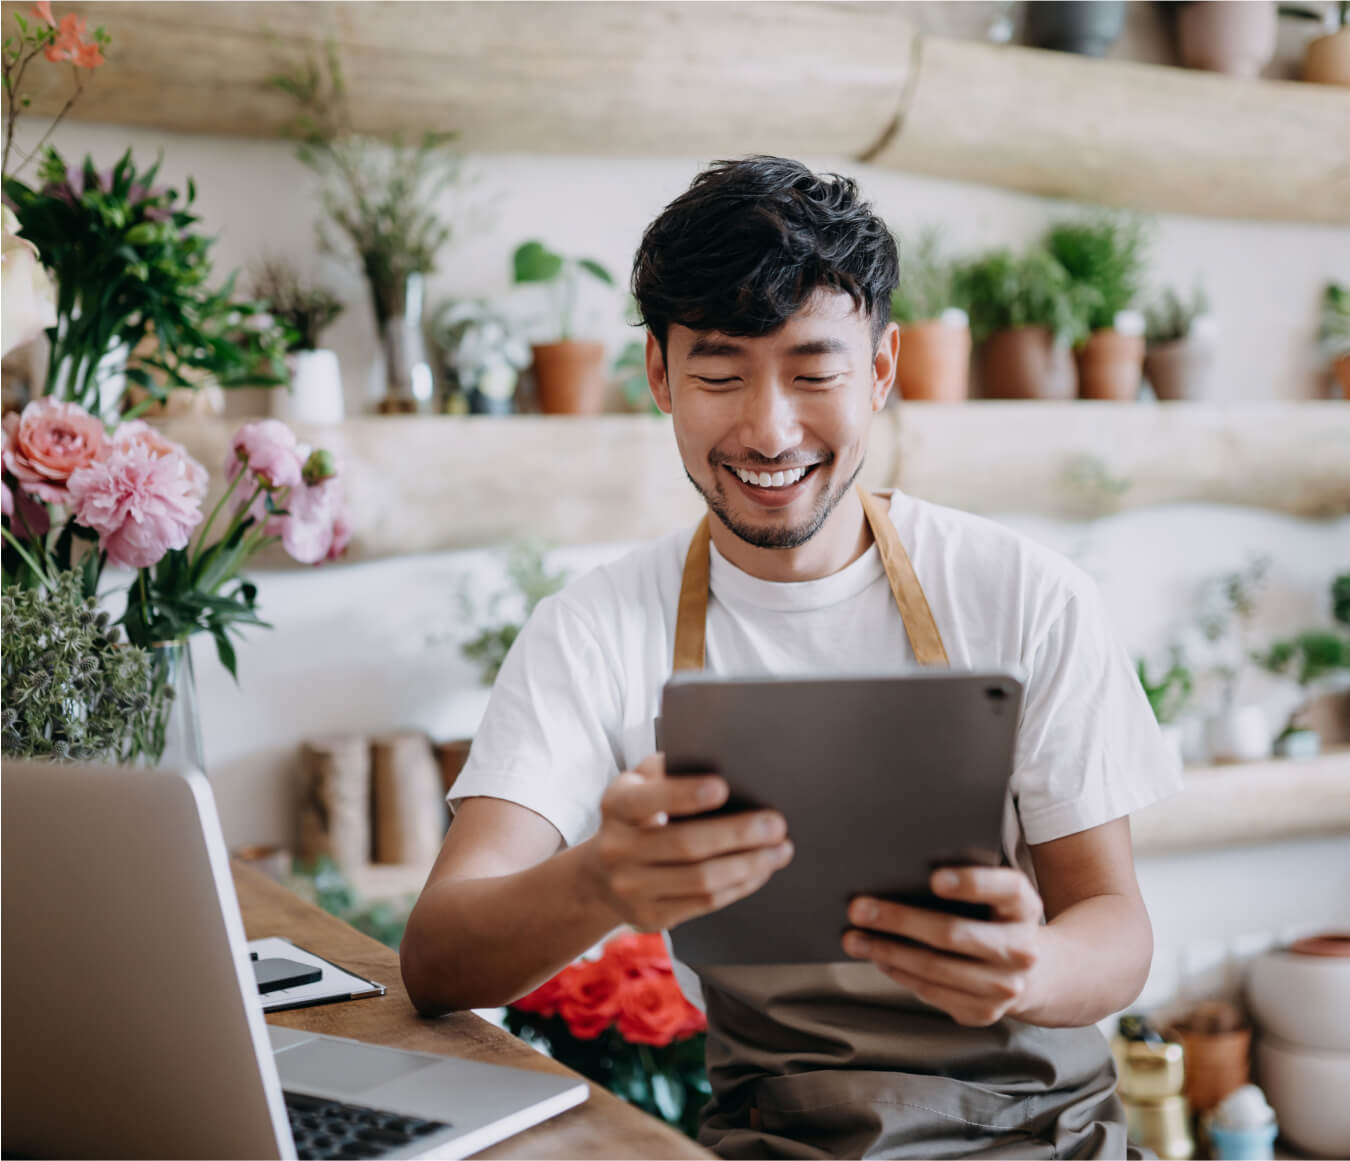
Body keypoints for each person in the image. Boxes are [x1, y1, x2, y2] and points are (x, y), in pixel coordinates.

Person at [401, 155, 1180, 1159]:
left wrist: (1028, 966)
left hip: (1043, 1135)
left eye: (815, 373)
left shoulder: (1024, 593)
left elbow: (1115, 926)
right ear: (658, 376)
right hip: (780, 1141)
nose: (769, 430)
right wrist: (600, 882)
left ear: (884, 370)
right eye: (720, 375)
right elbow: (436, 956)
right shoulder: (593, 630)